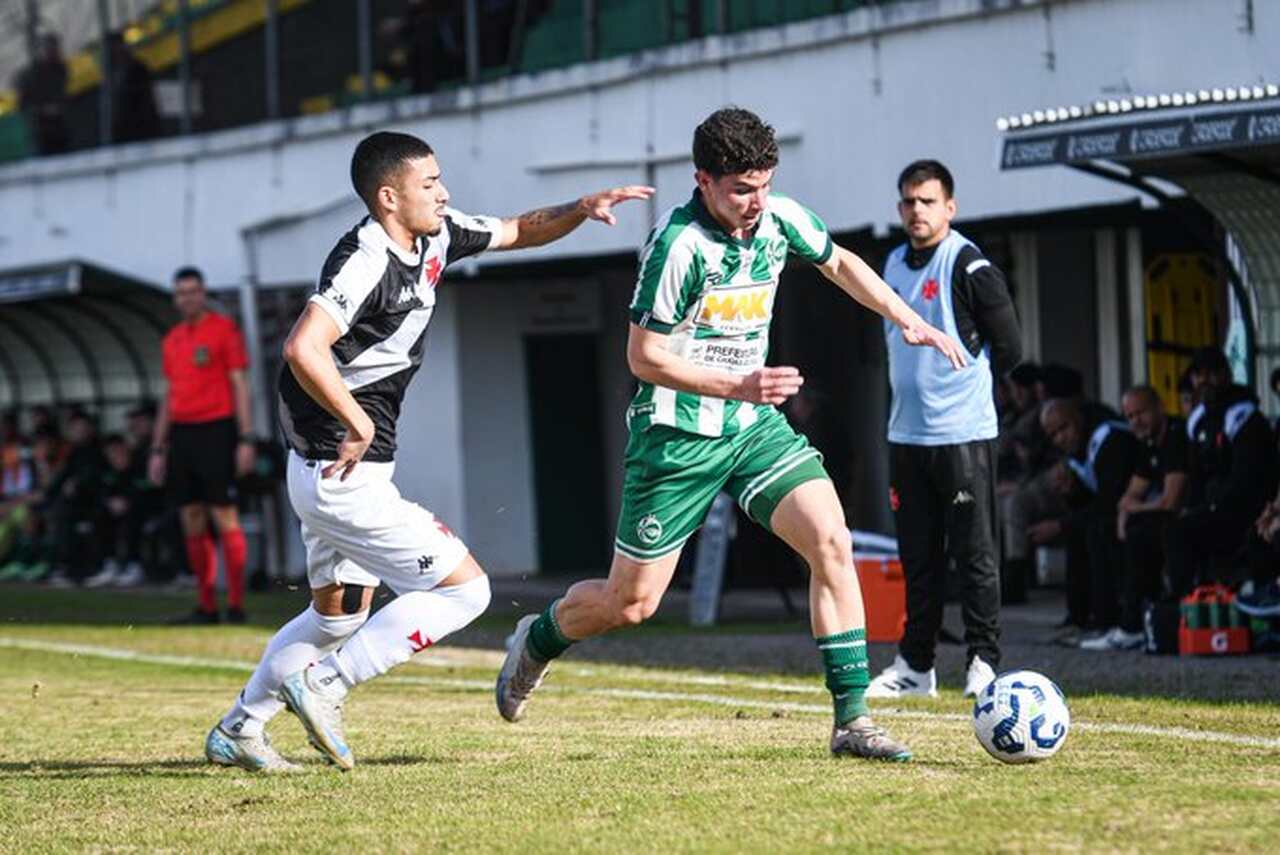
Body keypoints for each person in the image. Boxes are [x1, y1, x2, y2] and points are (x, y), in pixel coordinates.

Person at [493, 108, 968, 762]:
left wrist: (906, 317)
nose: (755, 202)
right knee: (629, 603)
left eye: (764, 185)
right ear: (705, 181)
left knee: (830, 538)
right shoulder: (677, 246)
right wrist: (736, 385)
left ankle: (851, 720)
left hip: (752, 429)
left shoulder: (780, 219)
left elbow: (838, 262)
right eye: (741, 189)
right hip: (676, 437)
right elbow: (643, 356)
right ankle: (539, 638)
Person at [203, 130, 652, 773]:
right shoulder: (363, 258)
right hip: (341, 469)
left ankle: (240, 729)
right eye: (430, 184)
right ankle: (327, 686)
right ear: (389, 197)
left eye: (441, 180)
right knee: (464, 593)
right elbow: (303, 347)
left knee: (335, 617)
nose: (444, 193)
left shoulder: (436, 234)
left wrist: (579, 208)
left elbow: (518, 229)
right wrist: (356, 421)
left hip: (333, 467)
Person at [864, 159, 1021, 701]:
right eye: (908, 201)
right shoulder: (891, 263)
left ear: (949, 207)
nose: (916, 210)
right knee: (919, 560)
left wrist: (971, 393)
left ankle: (983, 660)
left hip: (962, 436)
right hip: (906, 436)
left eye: (926, 201)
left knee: (975, 555)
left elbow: (1011, 347)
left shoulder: (968, 264)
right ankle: (916, 666)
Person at [149, 267, 257, 623]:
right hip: (182, 435)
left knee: (223, 514)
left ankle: (237, 604)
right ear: (175, 298)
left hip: (218, 431)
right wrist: (157, 447)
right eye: (181, 293)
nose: (187, 298)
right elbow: (169, 395)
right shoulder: (172, 340)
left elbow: (240, 384)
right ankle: (207, 605)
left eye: (193, 291)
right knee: (191, 518)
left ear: (203, 293)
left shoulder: (224, 331)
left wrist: (245, 437)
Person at [1079, 385, 1187, 651]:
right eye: (1129, 416)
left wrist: (1131, 511)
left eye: (1141, 413)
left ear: (1160, 408)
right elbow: (1129, 496)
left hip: (1187, 517)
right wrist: (1122, 518)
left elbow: (1170, 501)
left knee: (1140, 535)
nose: (1136, 421)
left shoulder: (1176, 436)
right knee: (1104, 531)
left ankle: (1136, 626)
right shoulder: (1146, 444)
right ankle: (1115, 620)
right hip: (1160, 518)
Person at [1166, 347, 1276, 597]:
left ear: (1225, 374)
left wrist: (1210, 507)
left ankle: (1182, 604)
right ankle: (1183, 606)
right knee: (1169, 526)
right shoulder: (1198, 420)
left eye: (1211, 374)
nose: (1203, 381)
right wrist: (1192, 508)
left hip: (1244, 509)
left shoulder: (1245, 417)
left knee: (1182, 532)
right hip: (1211, 507)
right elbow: (1196, 476)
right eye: (1197, 375)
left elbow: (1247, 479)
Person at [1033, 398, 1140, 643]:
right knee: (1080, 530)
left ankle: (1106, 619)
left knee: (1095, 529)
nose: (1060, 438)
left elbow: (1109, 501)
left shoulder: (1110, 438)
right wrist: (1071, 491)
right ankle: (1078, 617)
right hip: (1112, 512)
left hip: (1133, 512)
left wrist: (1060, 525)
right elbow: (1088, 501)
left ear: (1078, 419)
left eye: (1064, 428)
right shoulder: (1076, 453)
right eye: (1053, 435)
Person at [14, 33, 70, 156]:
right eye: (49, 48)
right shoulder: (31, 74)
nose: (53, 52)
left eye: (55, 48)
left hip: (60, 129)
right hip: (40, 131)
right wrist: (43, 110)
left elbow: (63, 95)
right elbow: (23, 105)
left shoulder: (61, 70)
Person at [107, 32, 160, 143]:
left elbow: (145, 100)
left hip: (139, 129)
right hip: (124, 131)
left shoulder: (137, 69)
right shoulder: (112, 71)